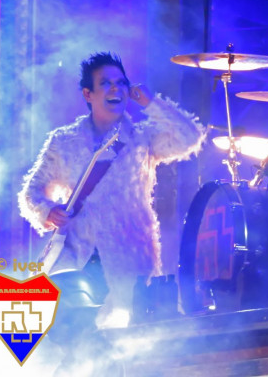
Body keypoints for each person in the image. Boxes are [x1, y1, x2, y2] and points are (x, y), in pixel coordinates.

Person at [18, 52, 205, 327]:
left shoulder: (142, 138)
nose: (115, 89)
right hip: (77, 255)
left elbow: (189, 136)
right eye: (105, 83)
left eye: (121, 82)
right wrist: (49, 211)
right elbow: (31, 192)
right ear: (88, 94)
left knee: (128, 341)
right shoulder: (63, 141)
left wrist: (151, 103)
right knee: (67, 333)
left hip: (130, 258)